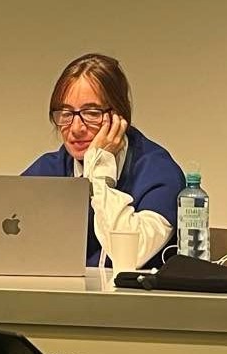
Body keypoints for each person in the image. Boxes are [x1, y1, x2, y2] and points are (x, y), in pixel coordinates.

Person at [22, 53, 184, 269]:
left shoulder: (158, 172)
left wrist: (100, 170)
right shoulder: (47, 171)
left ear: (119, 115)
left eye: (91, 113)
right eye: (66, 113)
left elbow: (130, 256)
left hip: (134, 301)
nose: (76, 128)